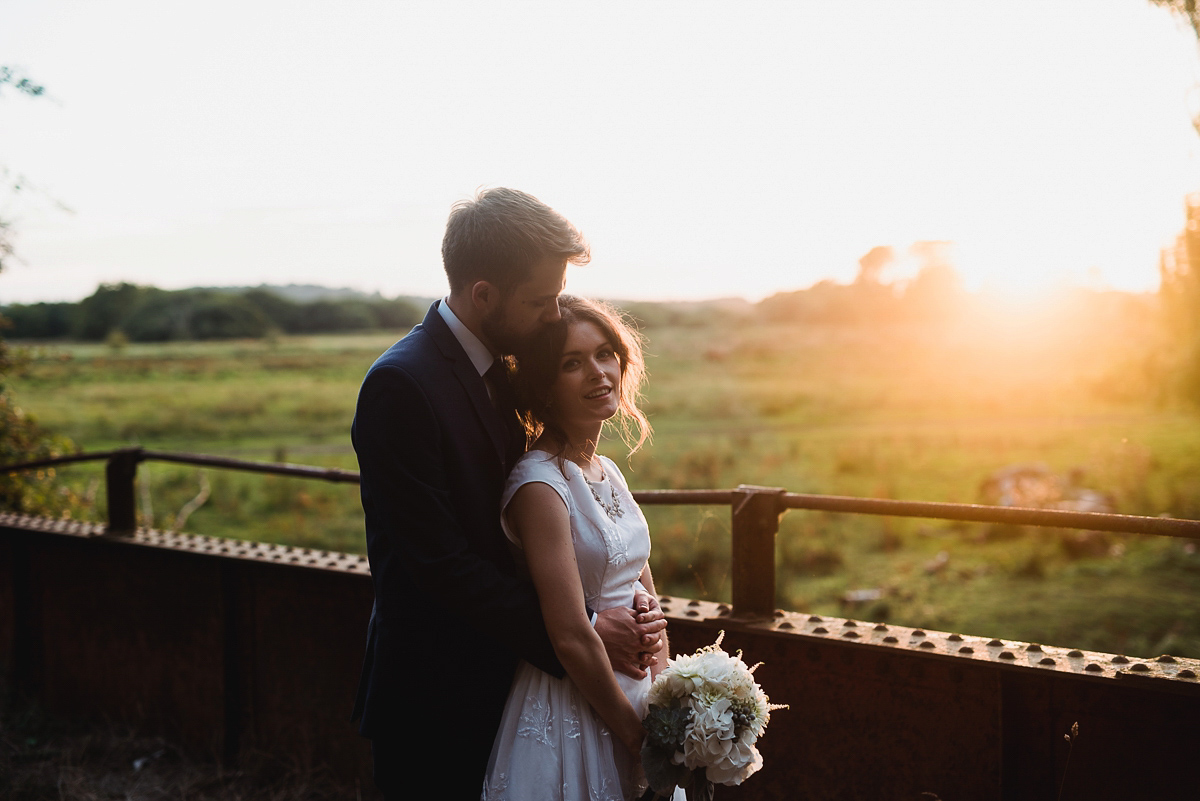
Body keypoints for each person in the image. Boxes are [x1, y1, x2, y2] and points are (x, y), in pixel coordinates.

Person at [350, 188, 667, 800]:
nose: (553, 315)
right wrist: (578, 628)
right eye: (540, 301)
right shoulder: (402, 384)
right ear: (483, 295)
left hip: (511, 683)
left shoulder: (502, 370)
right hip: (434, 689)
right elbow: (438, 564)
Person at [481, 296, 684, 801]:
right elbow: (571, 633)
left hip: (638, 696)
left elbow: (648, 601)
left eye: (604, 354)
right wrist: (634, 737)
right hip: (574, 704)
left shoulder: (608, 471)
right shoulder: (539, 486)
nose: (598, 373)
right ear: (543, 386)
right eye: (571, 363)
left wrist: (669, 703)